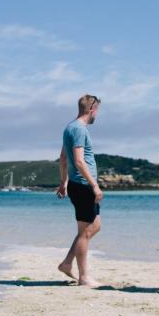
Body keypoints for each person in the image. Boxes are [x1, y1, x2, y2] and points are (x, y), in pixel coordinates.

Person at [57, 94, 102, 287]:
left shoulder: (70, 127)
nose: (97, 115)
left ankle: (67, 263)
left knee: (92, 227)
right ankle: (84, 276)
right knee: (87, 231)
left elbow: (62, 158)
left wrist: (63, 182)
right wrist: (94, 184)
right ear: (92, 109)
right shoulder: (78, 130)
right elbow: (78, 160)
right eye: (97, 110)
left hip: (77, 184)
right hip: (84, 186)